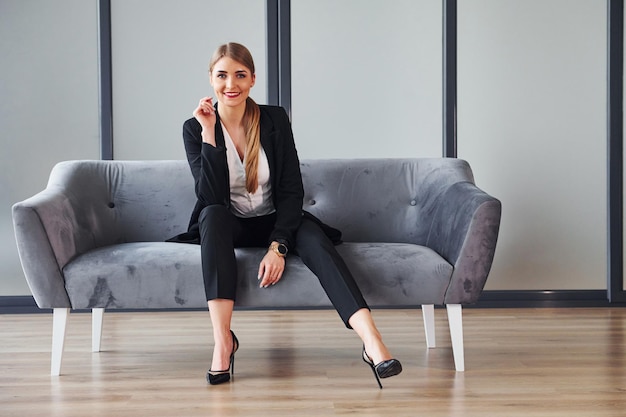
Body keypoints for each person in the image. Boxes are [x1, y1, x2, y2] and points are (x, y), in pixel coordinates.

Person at [172, 42, 402, 388]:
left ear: (252, 80)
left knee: (315, 239)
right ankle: (223, 342)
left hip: (276, 219)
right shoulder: (195, 127)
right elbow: (208, 198)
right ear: (210, 79)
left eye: (239, 75)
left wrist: (278, 244)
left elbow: (292, 189)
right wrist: (209, 134)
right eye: (222, 75)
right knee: (212, 215)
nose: (230, 84)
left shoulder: (275, 118)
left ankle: (372, 341)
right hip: (228, 224)